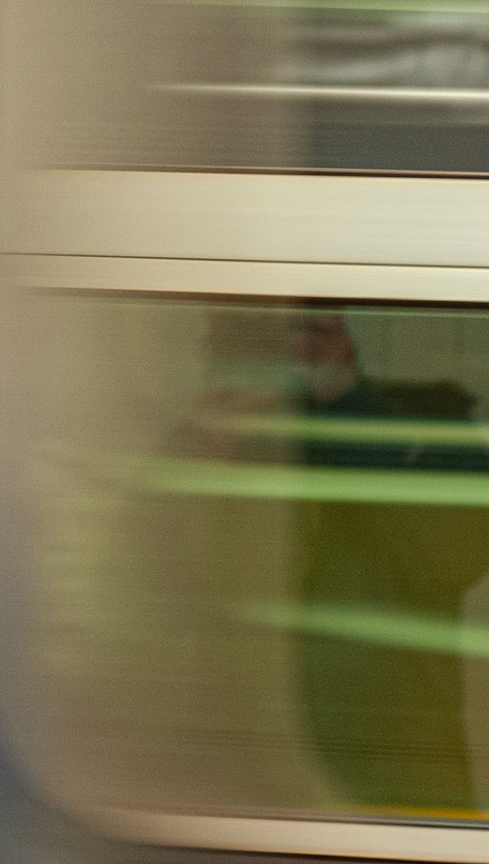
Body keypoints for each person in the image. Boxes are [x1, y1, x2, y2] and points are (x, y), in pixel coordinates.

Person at [207, 311, 489, 812]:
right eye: (276, 336)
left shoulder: (433, 427)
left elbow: (457, 554)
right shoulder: (235, 439)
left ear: (351, 339)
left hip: (399, 752)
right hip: (253, 762)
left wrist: (345, 405)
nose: (298, 350)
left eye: (316, 332)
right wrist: (209, 454)